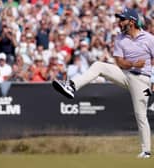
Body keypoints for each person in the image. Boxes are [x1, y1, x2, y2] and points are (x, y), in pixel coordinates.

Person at [52, 8, 154, 158]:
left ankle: (146, 151)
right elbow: (119, 62)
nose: (120, 22)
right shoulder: (119, 38)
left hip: (143, 80)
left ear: (132, 22)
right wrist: (133, 64)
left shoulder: (149, 38)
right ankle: (71, 86)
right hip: (125, 74)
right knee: (99, 65)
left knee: (140, 116)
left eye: (123, 19)